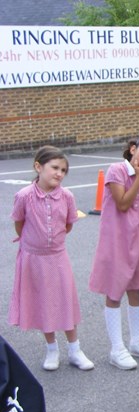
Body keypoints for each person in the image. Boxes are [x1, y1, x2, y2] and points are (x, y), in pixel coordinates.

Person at [8, 146, 94, 371]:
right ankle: (52, 349)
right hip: (33, 258)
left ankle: (75, 349)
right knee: (43, 302)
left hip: (57, 256)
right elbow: (19, 224)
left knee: (65, 300)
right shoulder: (24, 196)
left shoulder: (67, 196)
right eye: (54, 167)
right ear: (38, 166)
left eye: (63, 170)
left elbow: (67, 225)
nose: (59, 173)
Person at [89, 136, 139, 370]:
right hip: (115, 242)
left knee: (136, 290)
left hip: (135, 241)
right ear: (133, 149)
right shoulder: (117, 170)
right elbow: (122, 203)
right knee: (114, 292)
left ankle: (136, 341)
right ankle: (116, 348)